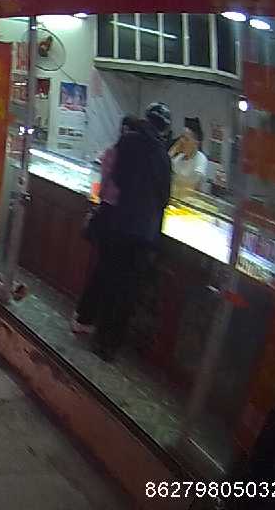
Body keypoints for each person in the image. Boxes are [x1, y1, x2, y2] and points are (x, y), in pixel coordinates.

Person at [76, 103, 172, 361]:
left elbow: (115, 179)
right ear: (164, 129)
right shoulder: (163, 156)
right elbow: (164, 197)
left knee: (109, 276)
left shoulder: (127, 143)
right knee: (128, 290)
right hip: (145, 233)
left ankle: (95, 331)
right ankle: (110, 345)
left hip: (119, 224)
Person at [73, 115, 137, 334]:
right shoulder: (128, 159)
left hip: (106, 213)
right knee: (106, 270)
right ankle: (88, 317)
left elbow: (102, 182)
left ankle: (85, 315)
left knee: (102, 267)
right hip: (116, 217)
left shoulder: (112, 152)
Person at [169, 117, 208, 195]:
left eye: (186, 139)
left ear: (196, 143)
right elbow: (163, 170)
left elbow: (193, 185)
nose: (181, 141)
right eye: (181, 137)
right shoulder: (178, 158)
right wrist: (172, 152)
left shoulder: (200, 159)